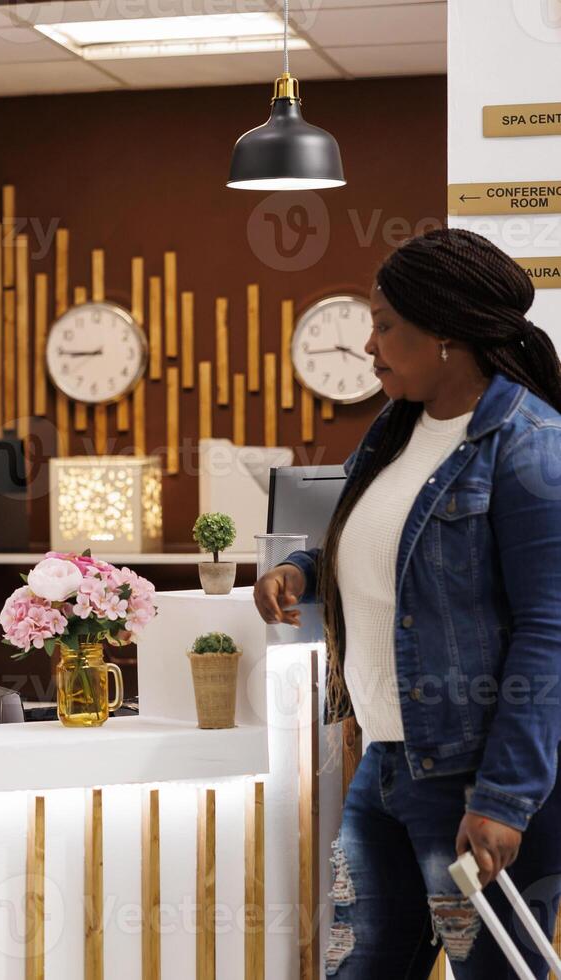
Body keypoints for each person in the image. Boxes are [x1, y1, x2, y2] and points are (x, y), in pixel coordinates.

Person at [254, 228, 561, 979]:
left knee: (492, 970)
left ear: (447, 334)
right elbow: (379, 547)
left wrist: (505, 798)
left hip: (474, 781)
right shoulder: (394, 430)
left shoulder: (529, 445)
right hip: (386, 766)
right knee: (356, 967)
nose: (368, 345)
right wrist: (301, 570)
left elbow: (551, 633)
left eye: (385, 324)